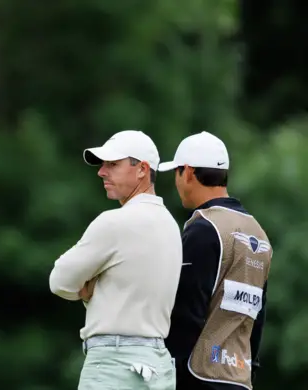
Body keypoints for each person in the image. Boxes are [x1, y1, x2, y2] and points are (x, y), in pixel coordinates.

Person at [49, 130, 182, 390]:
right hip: (159, 369)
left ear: (142, 169)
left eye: (113, 164)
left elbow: (59, 280)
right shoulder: (171, 225)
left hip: (113, 365)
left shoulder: (113, 222)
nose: (101, 171)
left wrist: (86, 289)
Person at [157, 131, 272, 390]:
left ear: (186, 171)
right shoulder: (259, 233)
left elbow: (187, 311)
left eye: (176, 172)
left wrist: (170, 373)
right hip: (239, 377)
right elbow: (257, 314)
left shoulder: (205, 227)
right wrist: (250, 370)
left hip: (198, 376)